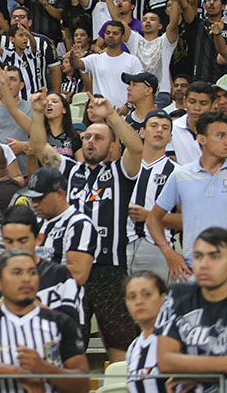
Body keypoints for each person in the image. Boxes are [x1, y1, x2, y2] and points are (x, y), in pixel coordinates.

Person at [30, 90, 143, 361]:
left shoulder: (121, 172)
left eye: (99, 138)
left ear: (112, 145)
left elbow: (138, 147)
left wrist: (112, 116)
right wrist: (36, 113)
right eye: (87, 137)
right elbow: (38, 148)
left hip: (109, 269)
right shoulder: (69, 170)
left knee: (119, 344)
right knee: (69, 345)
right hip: (70, 268)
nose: (91, 142)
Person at [0, 249, 90, 393]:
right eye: (17, 272)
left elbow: (83, 384)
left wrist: (44, 369)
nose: (26, 279)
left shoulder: (61, 322)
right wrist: (16, 372)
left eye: (32, 272)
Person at [148, 112, 227, 282]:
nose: (226, 141)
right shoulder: (181, 175)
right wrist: (169, 252)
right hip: (193, 271)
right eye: (220, 135)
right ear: (201, 139)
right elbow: (153, 219)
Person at [0, 205, 83, 323]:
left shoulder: (59, 275)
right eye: (9, 241)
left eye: (23, 241)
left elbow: (74, 328)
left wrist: (34, 307)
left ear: (39, 239)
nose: (16, 247)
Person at [155, 227, 227, 393]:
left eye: (215, 256)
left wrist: (195, 372)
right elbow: (165, 361)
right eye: (198, 256)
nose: (204, 264)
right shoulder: (178, 295)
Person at [17, 166, 97, 286]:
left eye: (39, 198)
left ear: (59, 194)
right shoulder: (35, 222)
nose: (34, 204)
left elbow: (78, 275)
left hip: (60, 301)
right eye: (32, 198)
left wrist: (32, 270)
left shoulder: (79, 224)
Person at [126, 109, 178, 282]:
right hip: (121, 245)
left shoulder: (178, 172)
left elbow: (187, 220)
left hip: (157, 247)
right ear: (142, 131)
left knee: (156, 305)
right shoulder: (124, 165)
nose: (159, 130)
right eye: (154, 125)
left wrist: (151, 216)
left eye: (165, 128)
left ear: (170, 137)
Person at [69, 21, 142, 108]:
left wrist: (128, 106)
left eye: (115, 33)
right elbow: (77, 64)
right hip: (100, 112)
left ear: (123, 37)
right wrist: (73, 58)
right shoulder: (95, 58)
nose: (111, 35)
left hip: (123, 113)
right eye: (108, 33)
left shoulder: (132, 60)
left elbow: (140, 86)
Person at [124, 271, 167, 393]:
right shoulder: (133, 347)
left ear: (163, 299)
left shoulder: (175, 338)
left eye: (147, 295)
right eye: (132, 297)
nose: (139, 302)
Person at [166, 81, 214, 165]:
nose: (197, 108)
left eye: (203, 103)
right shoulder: (172, 128)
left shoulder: (221, 131)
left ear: (213, 105)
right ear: (185, 101)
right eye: (192, 102)